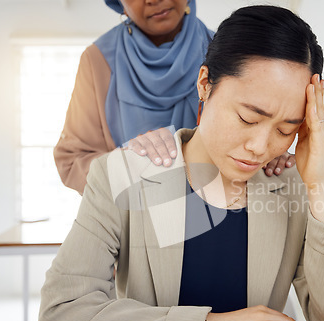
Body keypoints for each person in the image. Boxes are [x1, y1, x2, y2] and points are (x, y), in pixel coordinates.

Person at [39, 5, 324, 321]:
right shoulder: (123, 175)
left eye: (286, 129)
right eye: (247, 118)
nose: (260, 148)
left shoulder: (290, 185)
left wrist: (318, 183)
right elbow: (60, 318)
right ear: (205, 84)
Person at [54, 0, 295, 194]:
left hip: (214, 212)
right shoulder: (98, 61)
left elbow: (252, 138)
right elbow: (72, 161)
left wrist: (267, 159)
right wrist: (131, 165)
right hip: (131, 224)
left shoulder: (223, 53)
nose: (154, 0)